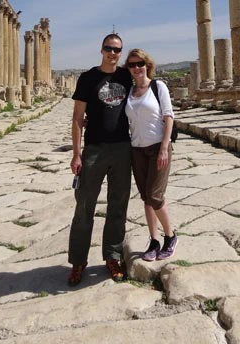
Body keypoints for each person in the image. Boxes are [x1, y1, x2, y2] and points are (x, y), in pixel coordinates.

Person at [67, 33, 133, 286]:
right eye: (108, 48)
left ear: (121, 52)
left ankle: (112, 256)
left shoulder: (127, 76)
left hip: (122, 148)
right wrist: (76, 152)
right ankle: (78, 261)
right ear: (101, 49)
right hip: (94, 148)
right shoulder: (88, 78)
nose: (112, 53)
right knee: (84, 206)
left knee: (118, 205)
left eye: (117, 49)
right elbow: (77, 117)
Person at [124, 48, 177, 262]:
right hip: (137, 148)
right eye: (132, 65)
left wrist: (165, 146)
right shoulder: (129, 91)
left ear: (147, 65)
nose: (136, 68)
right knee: (146, 197)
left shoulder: (158, 86)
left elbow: (169, 116)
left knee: (155, 196)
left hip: (158, 148)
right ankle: (154, 241)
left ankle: (170, 236)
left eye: (140, 64)